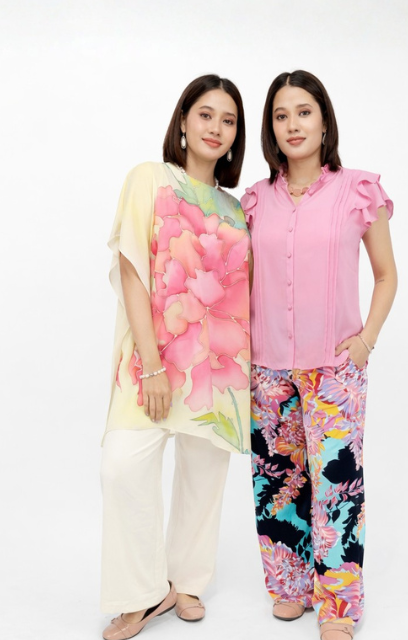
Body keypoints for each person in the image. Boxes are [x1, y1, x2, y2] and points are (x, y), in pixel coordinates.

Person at [241, 70, 397, 640]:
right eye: (281, 115)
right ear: (271, 128)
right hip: (267, 367)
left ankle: (338, 607)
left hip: (334, 369)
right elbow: (247, 283)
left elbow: (386, 275)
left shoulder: (358, 191)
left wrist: (365, 340)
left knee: (337, 486)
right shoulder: (255, 201)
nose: (293, 124)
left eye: (303, 112)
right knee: (277, 480)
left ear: (324, 120)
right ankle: (289, 586)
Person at [100, 74, 250, 640]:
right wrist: (153, 364)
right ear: (183, 119)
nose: (216, 128)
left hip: (217, 371)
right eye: (205, 114)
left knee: (203, 477)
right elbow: (132, 270)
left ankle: (184, 582)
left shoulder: (237, 210)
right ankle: (140, 593)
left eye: (228, 120)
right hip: (153, 362)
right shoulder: (150, 179)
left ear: (236, 136)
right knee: (122, 466)